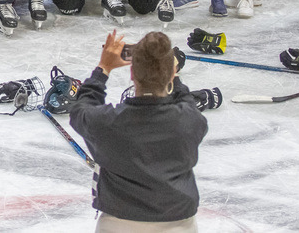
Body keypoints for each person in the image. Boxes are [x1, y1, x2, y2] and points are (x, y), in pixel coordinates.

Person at [69, 30, 207, 231]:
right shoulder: (189, 120)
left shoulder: (107, 122)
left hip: (117, 225)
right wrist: (174, 78)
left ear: (132, 73)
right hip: (179, 224)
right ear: (170, 74)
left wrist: (104, 68)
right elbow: (187, 103)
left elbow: (81, 109)